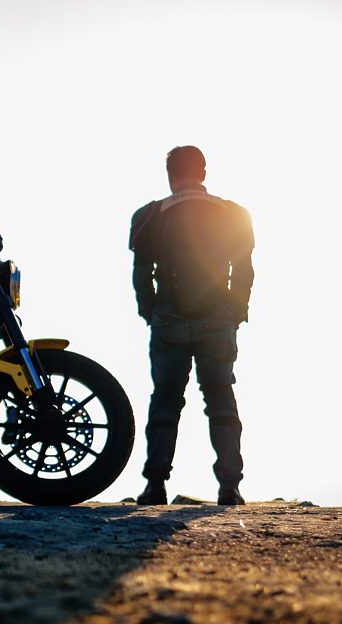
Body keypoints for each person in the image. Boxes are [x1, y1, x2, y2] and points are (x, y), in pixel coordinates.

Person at [128, 146, 254, 506]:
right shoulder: (234, 214)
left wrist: (150, 310)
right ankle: (230, 487)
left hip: (168, 319)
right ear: (203, 172)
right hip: (218, 319)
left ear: (170, 175)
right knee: (220, 399)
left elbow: (141, 272)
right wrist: (235, 311)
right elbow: (244, 270)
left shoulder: (149, 215)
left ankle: (155, 486)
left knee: (165, 401)